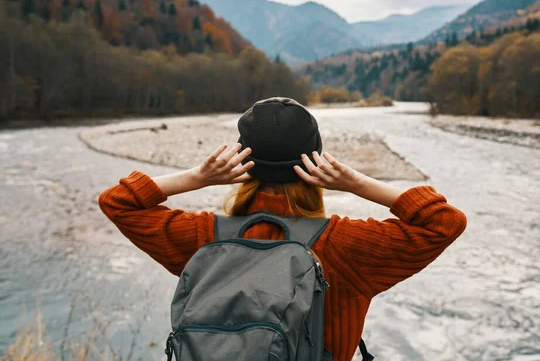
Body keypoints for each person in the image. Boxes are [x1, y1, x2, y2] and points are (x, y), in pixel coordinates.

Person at [98, 97, 467, 361]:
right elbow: (445, 221)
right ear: (318, 163)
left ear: (241, 163)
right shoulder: (345, 247)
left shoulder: (204, 238)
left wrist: (197, 177)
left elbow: (117, 201)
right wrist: (357, 183)